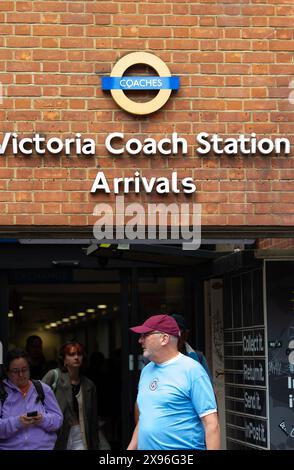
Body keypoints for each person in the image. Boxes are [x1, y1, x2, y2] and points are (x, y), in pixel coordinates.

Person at [127, 314, 220, 450]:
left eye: (145, 335)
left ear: (164, 338)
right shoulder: (147, 371)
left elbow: (211, 424)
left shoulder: (192, 370)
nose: (140, 340)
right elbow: (145, 419)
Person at [0, 348, 63, 450]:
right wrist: (17, 422)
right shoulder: (1, 391)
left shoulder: (42, 389)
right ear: (7, 372)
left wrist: (42, 419)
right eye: (15, 371)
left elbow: (58, 420)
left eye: (24, 370)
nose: (21, 375)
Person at [42, 341, 100, 450]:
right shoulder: (53, 376)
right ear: (64, 359)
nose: (76, 357)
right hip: (58, 434)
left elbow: (93, 419)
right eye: (71, 354)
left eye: (79, 354)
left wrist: (95, 443)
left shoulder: (89, 385)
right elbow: (37, 401)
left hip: (81, 434)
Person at [170, 313, 213, 382]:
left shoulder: (198, 357)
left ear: (186, 334)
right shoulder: (154, 359)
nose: (175, 336)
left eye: (179, 331)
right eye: (171, 332)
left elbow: (207, 384)